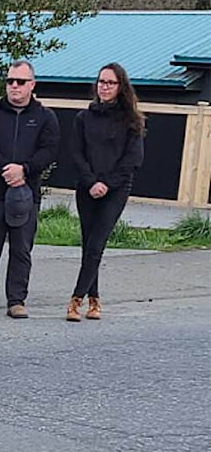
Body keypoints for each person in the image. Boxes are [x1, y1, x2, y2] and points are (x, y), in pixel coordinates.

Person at [0, 60, 60, 320]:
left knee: (21, 248)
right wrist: (7, 169)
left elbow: (50, 150)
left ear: (32, 85)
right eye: (10, 81)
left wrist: (25, 170)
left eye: (20, 81)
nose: (14, 86)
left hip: (27, 194)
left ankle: (16, 301)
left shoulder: (45, 117)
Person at [67, 63, 145, 321]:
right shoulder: (84, 118)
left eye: (110, 83)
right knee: (88, 244)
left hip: (116, 190)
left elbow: (132, 160)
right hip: (87, 187)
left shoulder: (131, 120)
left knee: (97, 245)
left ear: (120, 86)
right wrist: (91, 182)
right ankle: (94, 300)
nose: (104, 87)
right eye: (101, 82)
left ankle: (75, 299)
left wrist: (107, 184)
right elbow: (77, 154)